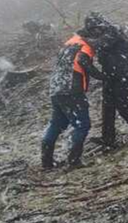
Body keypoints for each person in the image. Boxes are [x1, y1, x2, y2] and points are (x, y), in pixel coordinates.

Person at [40, 15, 105, 169]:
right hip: (71, 89)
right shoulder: (85, 45)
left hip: (55, 88)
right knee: (82, 125)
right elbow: (83, 61)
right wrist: (103, 76)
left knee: (56, 124)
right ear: (93, 32)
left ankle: (46, 162)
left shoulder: (70, 42)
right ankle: (74, 160)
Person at [94, 15, 128, 148]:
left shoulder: (112, 31)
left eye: (95, 29)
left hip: (124, 75)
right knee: (107, 106)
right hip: (110, 75)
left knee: (121, 104)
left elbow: (103, 43)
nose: (94, 32)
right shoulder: (103, 35)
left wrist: (82, 40)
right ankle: (108, 138)